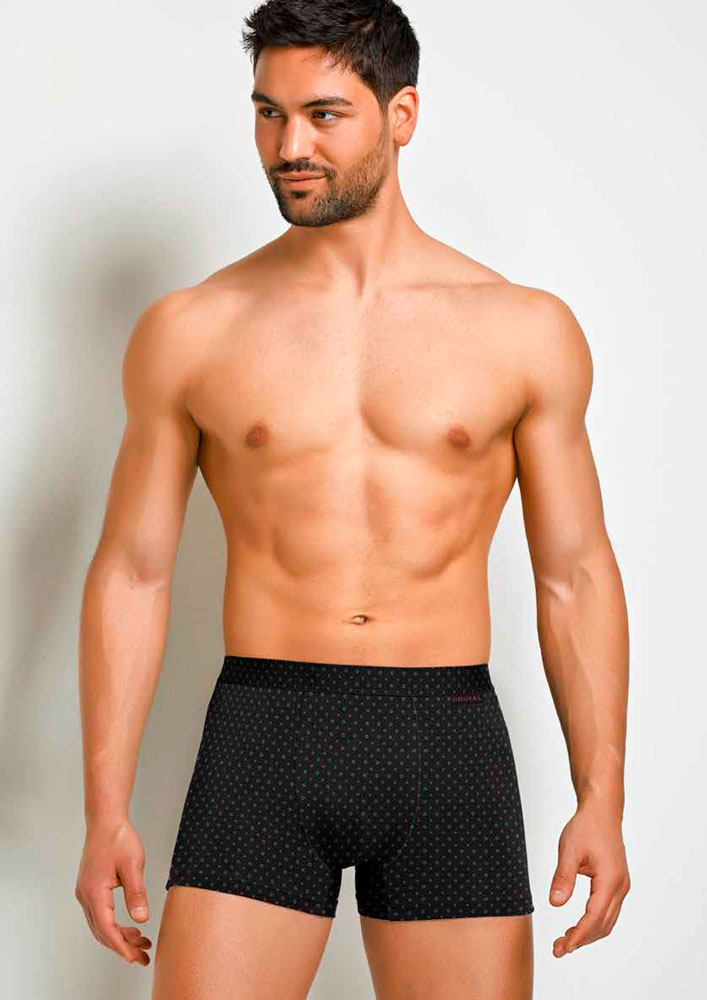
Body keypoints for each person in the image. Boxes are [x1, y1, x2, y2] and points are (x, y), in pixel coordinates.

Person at [74, 1, 631, 997]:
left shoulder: (521, 330)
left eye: (323, 114)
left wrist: (603, 795)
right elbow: (132, 571)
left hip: (446, 741)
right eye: (268, 113)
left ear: (400, 114)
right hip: (263, 736)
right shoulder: (193, 329)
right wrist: (102, 806)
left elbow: (574, 573)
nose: (289, 145)